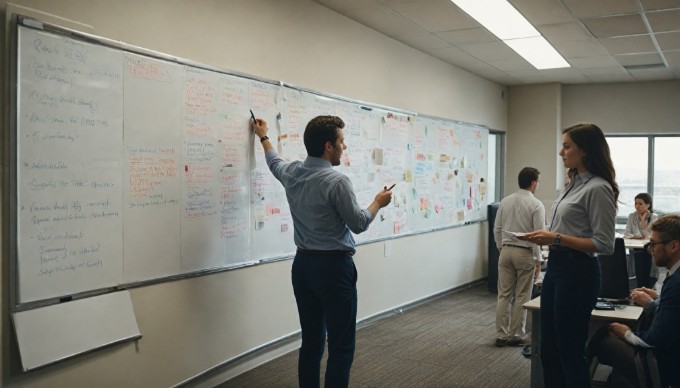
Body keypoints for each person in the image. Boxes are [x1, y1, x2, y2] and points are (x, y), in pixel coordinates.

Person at [251, 115, 392, 388]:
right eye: (342, 141)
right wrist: (377, 202)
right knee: (341, 347)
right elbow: (359, 223)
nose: (345, 146)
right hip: (333, 269)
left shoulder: (292, 172)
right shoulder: (337, 182)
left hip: (303, 267)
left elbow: (273, 162)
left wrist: (263, 136)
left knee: (312, 342)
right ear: (329, 146)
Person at [519, 123, 619, 388]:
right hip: (558, 268)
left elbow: (605, 244)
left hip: (578, 273)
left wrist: (556, 238)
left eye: (567, 146)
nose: (561, 152)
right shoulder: (571, 184)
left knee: (569, 352)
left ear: (584, 150)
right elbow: (565, 229)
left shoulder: (598, 188)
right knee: (549, 350)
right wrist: (549, 236)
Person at [587, 214, 680, 387]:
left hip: (667, 367)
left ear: (674, 245)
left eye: (653, 244)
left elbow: (653, 339)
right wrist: (657, 300)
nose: (650, 249)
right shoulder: (675, 276)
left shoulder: (676, 283)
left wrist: (626, 333)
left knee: (604, 334)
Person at [493, 167, 545, 347]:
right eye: (537, 182)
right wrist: (538, 260)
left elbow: (497, 228)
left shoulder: (505, 201)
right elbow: (538, 235)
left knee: (504, 295)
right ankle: (516, 336)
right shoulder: (536, 204)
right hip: (525, 253)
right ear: (533, 183)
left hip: (506, 251)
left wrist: (501, 247)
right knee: (522, 295)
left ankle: (501, 335)